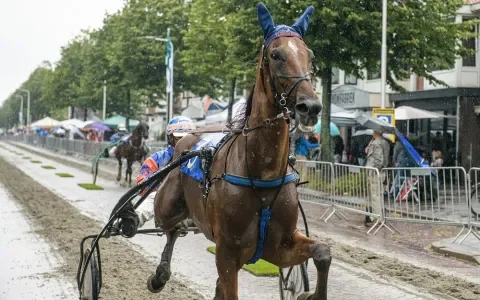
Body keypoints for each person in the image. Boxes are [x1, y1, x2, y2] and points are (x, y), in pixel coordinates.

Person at [134, 116, 196, 228]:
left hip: (192, 202)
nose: (184, 142)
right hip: (166, 203)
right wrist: (161, 189)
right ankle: (135, 219)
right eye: (179, 138)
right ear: (170, 138)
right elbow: (141, 182)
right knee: (153, 196)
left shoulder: (200, 158)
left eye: (188, 138)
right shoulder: (157, 158)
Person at [365, 130, 385, 226]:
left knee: (375, 196)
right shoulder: (384, 142)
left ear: (376, 132)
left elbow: (378, 160)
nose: (372, 132)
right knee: (379, 195)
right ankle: (379, 217)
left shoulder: (376, 143)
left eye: (374, 131)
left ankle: (377, 218)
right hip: (381, 172)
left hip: (375, 172)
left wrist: (374, 171)